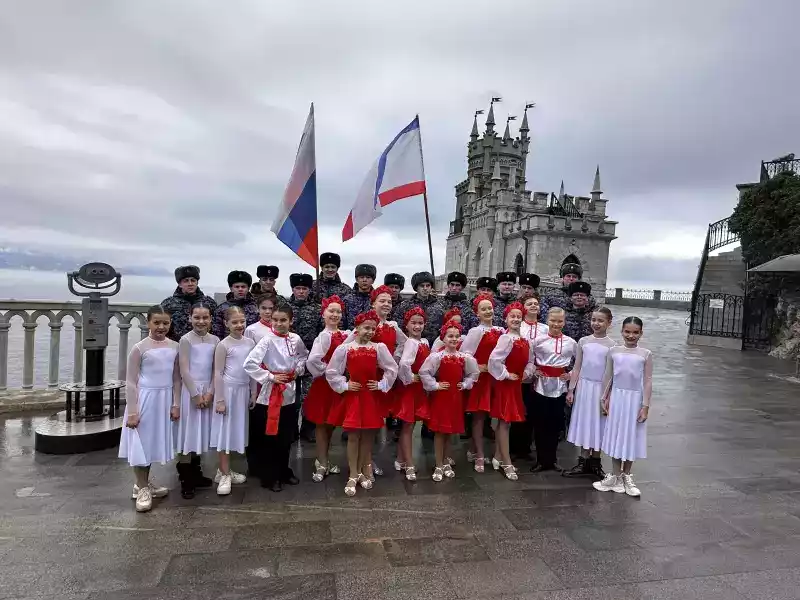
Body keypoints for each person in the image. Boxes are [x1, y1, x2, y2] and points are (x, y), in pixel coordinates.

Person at [326, 310, 398, 496]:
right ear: (357, 328)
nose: (370, 332)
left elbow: (392, 368)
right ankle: (353, 473)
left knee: (367, 437)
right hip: (354, 397)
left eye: (373, 329)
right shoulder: (346, 348)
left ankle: (362, 470)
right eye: (366, 328)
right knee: (353, 437)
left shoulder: (378, 348)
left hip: (371, 397)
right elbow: (332, 372)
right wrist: (345, 384)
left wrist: (381, 384)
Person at [119, 306, 181, 512]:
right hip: (145, 399)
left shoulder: (175, 346)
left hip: (164, 399)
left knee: (152, 443)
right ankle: (142, 487)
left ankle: (143, 483)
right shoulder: (140, 348)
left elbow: (176, 378)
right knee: (142, 443)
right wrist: (133, 411)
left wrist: (176, 403)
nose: (161, 327)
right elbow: (130, 381)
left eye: (165, 323)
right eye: (156, 322)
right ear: (148, 323)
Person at [243, 303, 309, 492]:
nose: (279, 324)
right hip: (271, 393)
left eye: (283, 320)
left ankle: (284, 470)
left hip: (289, 391)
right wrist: (270, 377)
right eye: (275, 320)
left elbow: (303, 356)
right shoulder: (267, 340)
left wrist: (298, 369)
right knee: (270, 436)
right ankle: (270, 475)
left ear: (291, 321)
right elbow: (249, 364)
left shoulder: (295, 339)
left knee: (286, 435)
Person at [593, 317, 651, 498]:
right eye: (627, 331)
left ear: (641, 333)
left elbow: (647, 381)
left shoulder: (645, 354)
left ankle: (627, 475)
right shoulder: (614, 351)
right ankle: (616, 476)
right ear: (622, 331)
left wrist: (645, 405)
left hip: (635, 400)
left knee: (631, 435)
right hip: (617, 398)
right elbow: (608, 376)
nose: (631, 335)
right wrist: (603, 398)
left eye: (635, 332)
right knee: (616, 435)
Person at [419, 320, 479, 481]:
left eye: (457, 336)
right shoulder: (437, 357)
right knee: (440, 433)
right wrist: (436, 385)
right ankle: (439, 464)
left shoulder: (464, 357)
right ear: (443, 338)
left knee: (449, 432)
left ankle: (446, 461)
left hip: (455, 398)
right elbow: (424, 372)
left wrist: (465, 384)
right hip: (441, 398)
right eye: (450, 336)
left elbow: (474, 373)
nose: (454, 339)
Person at [564, 307, 615, 479]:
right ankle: (583, 460)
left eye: (600, 320)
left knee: (599, 423)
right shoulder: (583, 341)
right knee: (585, 421)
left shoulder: (612, 345)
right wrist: (571, 389)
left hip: (600, 389)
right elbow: (577, 367)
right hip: (584, 387)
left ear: (609, 322)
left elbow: (610, 373)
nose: (596, 323)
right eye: (594, 320)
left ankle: (595, 461)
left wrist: (607, 395)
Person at [174, 304, 219, 499]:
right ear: (190, 318)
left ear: (211, 319)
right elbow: (184, 370)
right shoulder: (185, 340)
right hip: (190, 391)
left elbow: (216, 369)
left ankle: (197, 472)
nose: (201, 321)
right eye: (197, 317)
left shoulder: (215, 340)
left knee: (200, 433)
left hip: (207, 390)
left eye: (205, 318)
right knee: (188, 433)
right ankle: (186, 478)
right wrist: (194, 394)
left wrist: (210, 393)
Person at [210, 306, 256, 495]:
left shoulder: (250, 343)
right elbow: (218, 373)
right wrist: (220, 399)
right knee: (225, 433)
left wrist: (253, 392)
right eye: (234, 322)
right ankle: (224, 474)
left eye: (242, 321)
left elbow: (252, 369)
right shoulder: (224, 345)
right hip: (228, 392)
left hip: (242, 391)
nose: (239, 325)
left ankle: (224, 470)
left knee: (235, 432)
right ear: (226, 323)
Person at [305, 296, 349, 482]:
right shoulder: (324, 336)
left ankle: (324, 459)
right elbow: (313, 360)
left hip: (337, 385)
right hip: (325, 385)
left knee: (331, 424)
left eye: (338, 311)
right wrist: (331, 372)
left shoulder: (345, 335)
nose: (335, 314)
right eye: (331, 311)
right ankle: (322, 462)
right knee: (322, 424)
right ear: (323, 313)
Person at [529, 307, 578, 472]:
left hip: (560, 387)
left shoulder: (571, 342)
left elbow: (579, 363)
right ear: (547, 320)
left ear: (564, 322)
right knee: (540, 423)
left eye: (559, 321)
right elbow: (528, 359)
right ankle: (541, 460)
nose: (556, 324)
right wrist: (534, 370)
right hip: (541, 386)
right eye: (553, 320)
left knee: (555, 424)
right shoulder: (538, 341)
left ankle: (552, 459)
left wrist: (570, 374)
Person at [460, 294, 504, 471]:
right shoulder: (476, 331)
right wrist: (477, 366)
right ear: (477, 313)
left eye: (489, 308)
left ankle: (474, 450)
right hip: (482, 379)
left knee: (495, 416)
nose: (487, 311)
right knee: (479, 417)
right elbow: (465, 354)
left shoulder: (501, 330)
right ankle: (479, 453)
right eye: (483, 309)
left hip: (496, 378)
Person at [488, 302, 531, 481]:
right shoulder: (506, 338)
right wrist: (506, 374)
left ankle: (498, 456)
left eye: (518, 316)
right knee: (505, 422)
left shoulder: (524, 339)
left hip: (515, 385)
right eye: (512, 316)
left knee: (505, 422)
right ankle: (506, 462)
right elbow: (494, 360)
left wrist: (526, 372)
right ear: (506, 319)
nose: (516, 319)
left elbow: (530, 361)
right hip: (506, 385)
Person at [392, 307, 431, 481]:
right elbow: (402, 364)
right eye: (413, 323)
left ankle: (401, 459)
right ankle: (409, 463)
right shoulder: (410, 343)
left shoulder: (424, 342)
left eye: (420, 323)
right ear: (406, 325)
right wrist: (409, 377)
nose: (417, 326)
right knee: (408, 425)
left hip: (419, 388)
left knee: (411, 424)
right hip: (410, 389)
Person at [510, 292, 549, 460]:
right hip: (521, 375)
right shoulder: (518, 326)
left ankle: (526, 448)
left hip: (540, 374)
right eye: (529, 304)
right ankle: (513, 448)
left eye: (536, 304)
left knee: (533, 412)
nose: (533, 306)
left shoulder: (545, 328)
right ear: (523, 308)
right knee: (519, 410)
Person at [288, 273, 323, 442]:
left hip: (310, 357)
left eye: (304, 288)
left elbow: (322, 334)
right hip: (289, 358)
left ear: (309, 290)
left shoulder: (317, 309)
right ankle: (291, 428)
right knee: (291, 396)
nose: (301, 291)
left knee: (309, 396)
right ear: (293, 289)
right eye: (298, 288)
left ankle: (308, 429)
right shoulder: (285, 308)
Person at [161, 265, 217, 342]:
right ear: (180, 284)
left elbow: (216, 326)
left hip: (204, 344)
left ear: (197, 282)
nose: (190, 283)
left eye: (193, 280)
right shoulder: (168, 304)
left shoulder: (209, 303)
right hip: (176, 345)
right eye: (186, 281)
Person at [397, 271, 445, 346]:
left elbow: (444, 327)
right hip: (410, 345)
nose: (425, 288)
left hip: (434, 346)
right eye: (422, 286)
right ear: (416, 287)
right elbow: (399, 328)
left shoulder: (440, 306)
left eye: (428, 285)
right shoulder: (405, 306)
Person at [213, 270, 258, 339]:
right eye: (237, 287)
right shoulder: (221, 309)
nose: (240, 289)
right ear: (231, 288)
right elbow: (217, 333)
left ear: (248, 288)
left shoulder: (256, 307)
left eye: (243, 287)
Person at [343, 264, 376, 330]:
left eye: (368, 277)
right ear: (356, 279)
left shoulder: (376, 299)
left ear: (373, 280)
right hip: (350, 334)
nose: (364, 280)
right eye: (361, 277)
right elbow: (341, 322)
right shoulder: (347, 299)